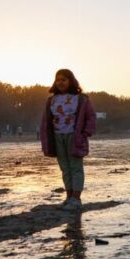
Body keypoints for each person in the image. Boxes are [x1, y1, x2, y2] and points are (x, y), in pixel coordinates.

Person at [40, 69, 97, 211]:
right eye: (58, 80)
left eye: (64, 79)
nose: (60, 82)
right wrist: (45, 137)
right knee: (65, 168)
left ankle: (76, 199)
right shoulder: (51, 100)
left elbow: (91, 116)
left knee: (75, 167)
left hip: (75, 136)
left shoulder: (81, 98)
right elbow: (46, 121)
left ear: (71, 81)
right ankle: (69, 197)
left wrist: (86, 132)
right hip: (57, 137)